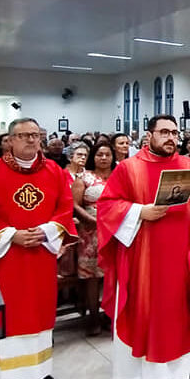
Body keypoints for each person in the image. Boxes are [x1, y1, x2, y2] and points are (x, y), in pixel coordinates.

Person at [97, 114, 190, 379]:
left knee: (177, 310)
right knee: (142, 312)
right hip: (142, 259)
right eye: (164, 132)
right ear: (150, 136)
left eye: (174, 133)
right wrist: (139, 212)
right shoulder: (128, 168)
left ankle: (177, 372)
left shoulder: (187, 165)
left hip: (179, 259)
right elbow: (107, 205)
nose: (171, 138)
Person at [0, 118, 77, 379]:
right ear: (10, 141)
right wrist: (11, 235)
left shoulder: (54, 171)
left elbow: (65, 208)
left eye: (34, 135)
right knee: (7, 316)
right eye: (23, 135)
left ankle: (38, 371)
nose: (31, 140)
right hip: (6, 258)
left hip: (41, 254)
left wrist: (48, 230)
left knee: (38, 310)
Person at [73, 143, 117, 335]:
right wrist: (91, 219)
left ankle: (110, 315)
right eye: (100, 154)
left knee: (113, 275)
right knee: (92, 276)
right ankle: (92, 317)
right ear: (94, 157)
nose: (104, 158)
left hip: (117, 230)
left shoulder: (119, 175)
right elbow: (74, 204)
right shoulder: (84, 177)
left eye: (107, 154)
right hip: (91, 231)